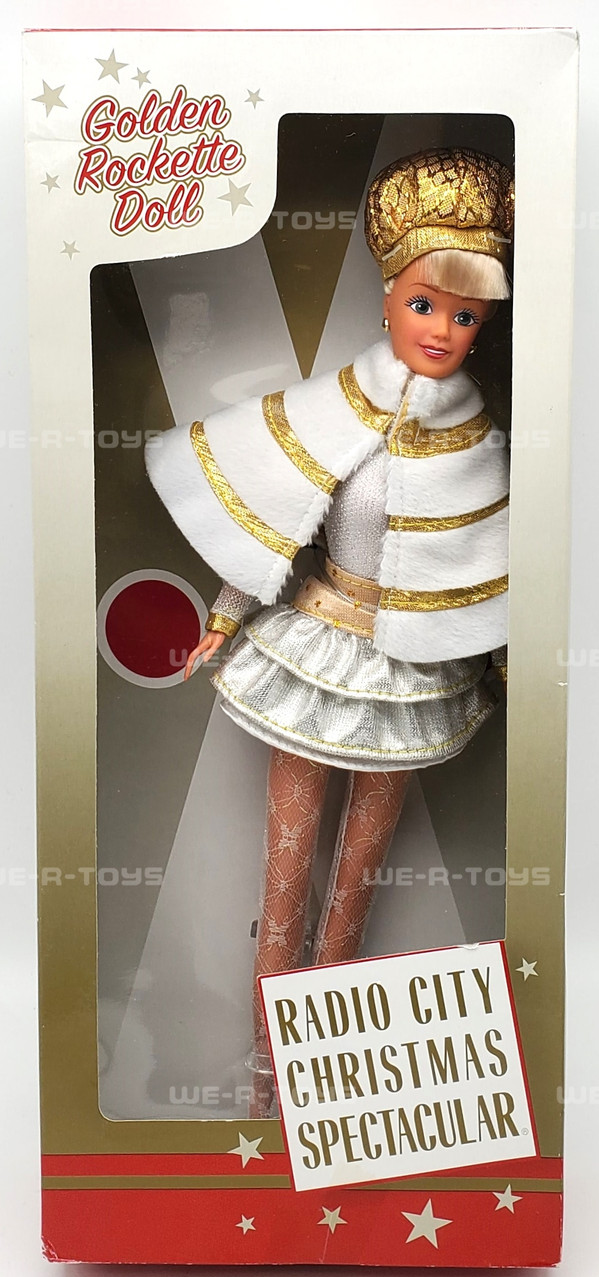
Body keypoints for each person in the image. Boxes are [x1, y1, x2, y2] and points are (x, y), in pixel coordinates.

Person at [145, 146, 514, 1116]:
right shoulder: (335, 409)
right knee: (286, 862)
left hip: (414, 671)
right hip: (314, 647)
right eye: (424, 304)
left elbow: (483, 567)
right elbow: (277, 518)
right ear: (388, 300)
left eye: (464, 315)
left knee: (357, 876)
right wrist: (225, 616)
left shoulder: (480, 446)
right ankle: (265, 1069)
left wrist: (506, 660)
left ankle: (320, 1067)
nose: (440, 329)